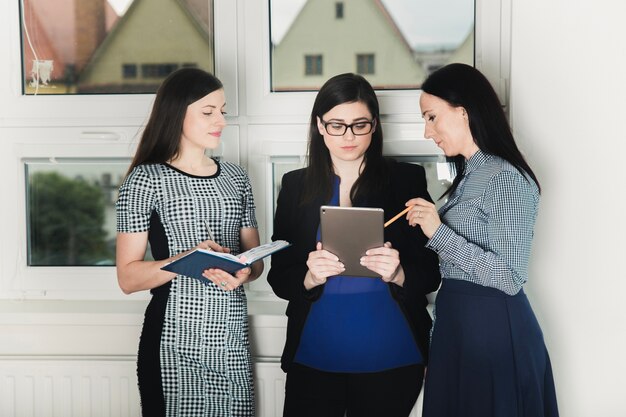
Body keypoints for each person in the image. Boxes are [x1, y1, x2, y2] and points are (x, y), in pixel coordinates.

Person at [267, 73, 441, 417]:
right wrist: (308, 277)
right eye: (336, 125)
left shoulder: (406, 179)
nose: (348, 136)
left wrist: (400, 271)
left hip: (392, 352)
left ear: (374, 125)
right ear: (319, 125)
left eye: (359, 124)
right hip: (314, 353)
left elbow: (431, 273)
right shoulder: (295, 186)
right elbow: (279, 276)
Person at [405, 63, 559, 417]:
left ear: (463, 112)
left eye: (431, 117)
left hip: (492, 333)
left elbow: (509, 276)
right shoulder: (469, 173)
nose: (427, 132)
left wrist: (438, 232)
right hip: (459, 331)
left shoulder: (505, 177)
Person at [115, 68, 263, 417]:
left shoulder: (237, 177)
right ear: (176, 113)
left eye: (222, 111)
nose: (221, 121)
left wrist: (246, 272)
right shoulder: (145, 179)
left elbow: (255, 261)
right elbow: (128, 278)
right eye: (208, 112)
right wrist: (188, 258)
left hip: (230, 340)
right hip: (174, 341)